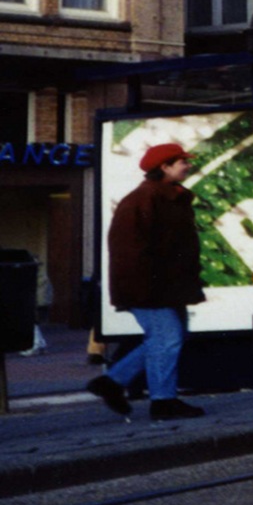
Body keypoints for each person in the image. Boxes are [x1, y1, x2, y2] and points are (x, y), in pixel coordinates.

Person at [87, 143, 207, 420]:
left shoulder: (167, 197)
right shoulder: (145, 199)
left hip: (166, 287)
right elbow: (129, 251)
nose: (188, 166)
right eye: (182, 162)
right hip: (151, 288)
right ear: (164, 167)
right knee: (168, 338)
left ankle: (112, 382)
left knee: (166, 338)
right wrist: (143, 289)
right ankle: (163, 402)